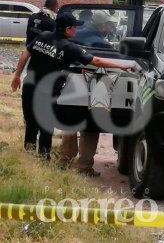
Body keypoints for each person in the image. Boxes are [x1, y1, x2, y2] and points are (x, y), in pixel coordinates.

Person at [11, 14, 134, 160]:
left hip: (30, 87)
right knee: (45, 127)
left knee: (31, 125)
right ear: (68, 29)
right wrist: (121, 65)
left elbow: (26, 53)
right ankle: (43, 160)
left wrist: (17, 76)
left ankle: (29, 157)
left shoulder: (42, 36)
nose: (77, 30)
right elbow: (96, 60)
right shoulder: (69, 47)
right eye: (75, 27)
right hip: (47, 92)